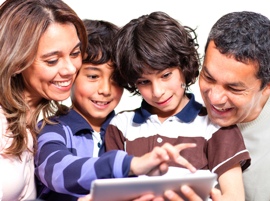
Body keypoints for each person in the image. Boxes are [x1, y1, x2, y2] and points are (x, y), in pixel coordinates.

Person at [34, 19, 197, 201]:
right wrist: (129, 164)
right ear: (72, 73)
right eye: (93, 76)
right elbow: (57, 171)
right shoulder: (52, 128)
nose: (105, 89)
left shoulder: (127, 130)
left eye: (116, 80)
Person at [105, 11, 251, 201]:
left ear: (183, 66)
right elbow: (111, 191)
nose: (157, 92)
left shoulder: (216, 126)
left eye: (166, 75)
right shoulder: (120, 125)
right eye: (144, 82)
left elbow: (234, 197)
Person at [165, 10, 270, 201]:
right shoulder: (184, 112)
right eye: (208, 77)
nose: (215, 98)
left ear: (269, 85)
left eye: (234, 88)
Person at [0, 0, 87, 200]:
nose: (70, 69)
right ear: (15, 62)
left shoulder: (38, 127)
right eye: (52, 60)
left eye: (75, 53)